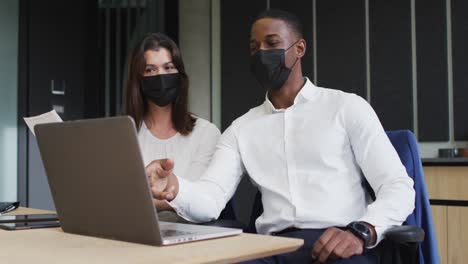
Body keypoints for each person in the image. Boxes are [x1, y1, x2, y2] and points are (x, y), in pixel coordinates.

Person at [146, 10, 415, 264]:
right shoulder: (241, 129)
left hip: (340, 243)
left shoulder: (346, 107)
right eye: (254, 47)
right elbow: (211, 199)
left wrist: (363, 231)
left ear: (299, 49)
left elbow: (397, 186)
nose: (262, 53)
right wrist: (173, 187)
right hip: (273, 248)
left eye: (272, 43)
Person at [124, 33, 221, 222]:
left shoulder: (206, 133)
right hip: (132, 234)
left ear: (180, 75)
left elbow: (198, 199)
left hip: (188, 236)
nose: (160, 76)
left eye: (168, 68)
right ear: (138, 79)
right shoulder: (124, 134)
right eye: (150, 70)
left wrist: (139, 201)